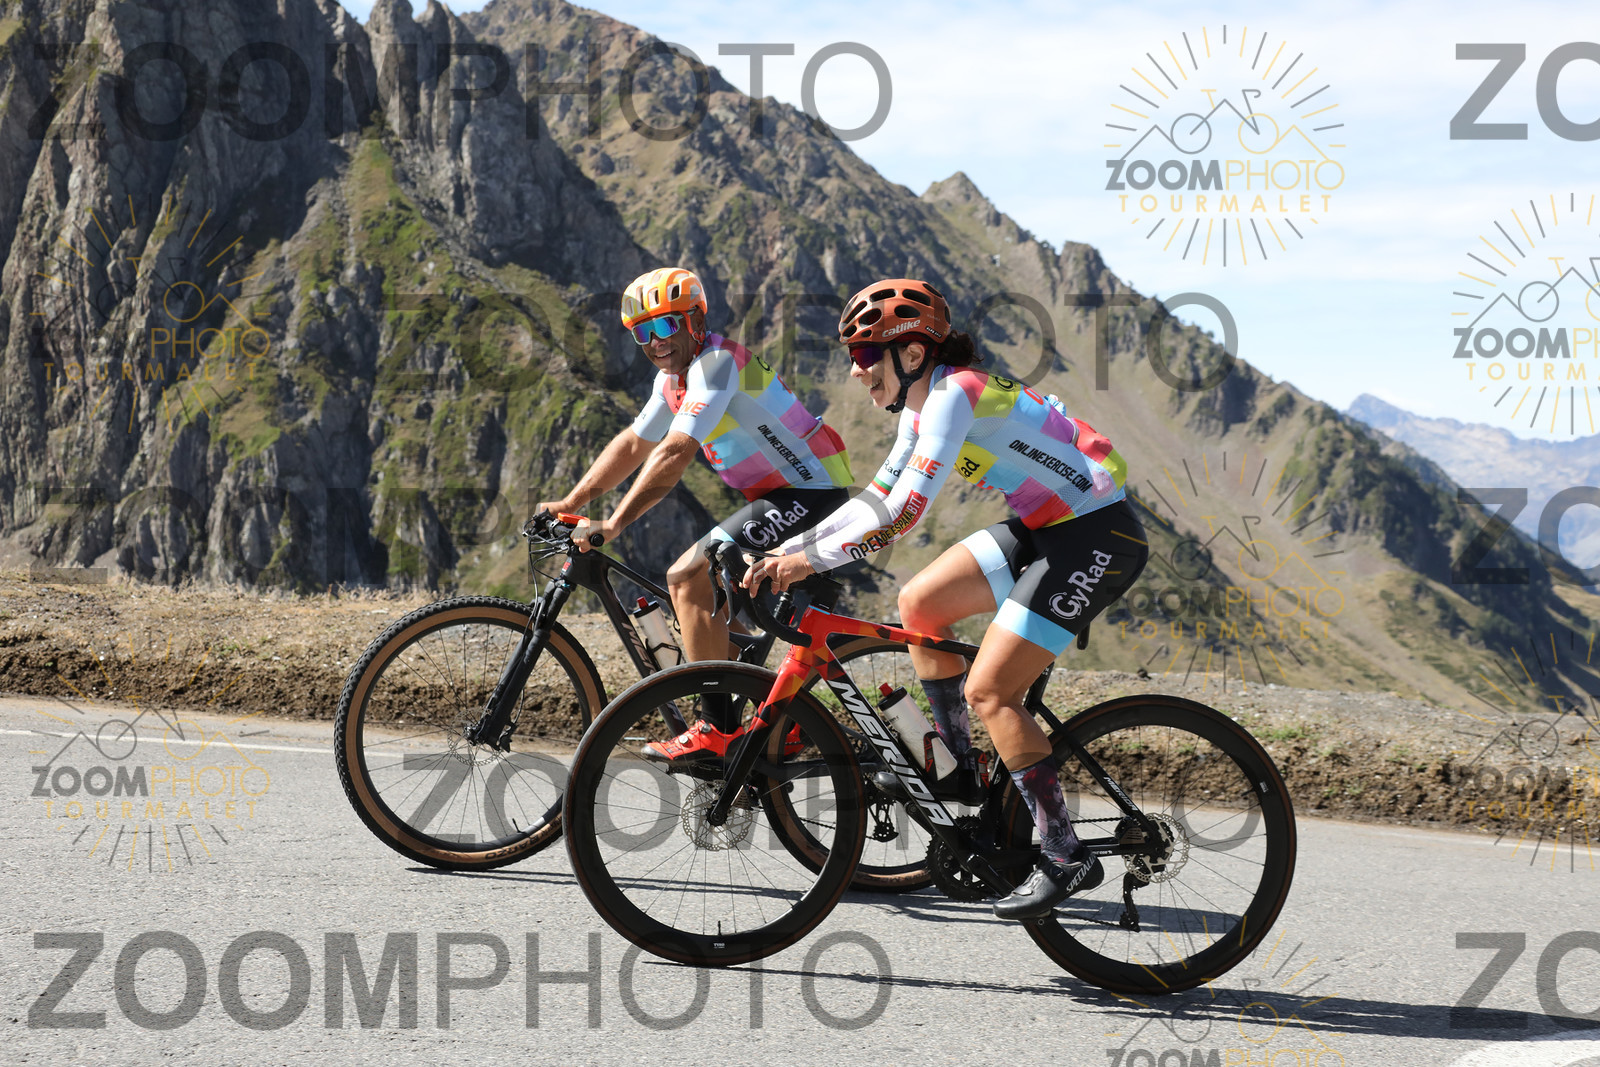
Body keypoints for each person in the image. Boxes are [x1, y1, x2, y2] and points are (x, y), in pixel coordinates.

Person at [741, 278, 1148, 920]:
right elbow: (875, 499)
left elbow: (905, 512)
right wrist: (786, 550)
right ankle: (958, 769)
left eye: (864, 354)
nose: (856, 371)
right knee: (921, 603)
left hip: (1096, 535)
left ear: (910, 354)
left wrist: (805, 561)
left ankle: (1065, 853)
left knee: (991, 692)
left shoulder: (954, 396)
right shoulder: (921, 405)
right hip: (1045, 526)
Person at [536, 266, 854, 761]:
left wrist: (614, 523)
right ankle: (774, 716)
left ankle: (717, 731)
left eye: (666, 325)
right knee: (710, 622)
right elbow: (634, 443)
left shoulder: (717, 365)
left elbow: (675, 451)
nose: (655, 341)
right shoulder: (673, 380)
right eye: (642, 332)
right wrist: (571, 503)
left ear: (696, 322)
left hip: (813, 491)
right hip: (779, 494)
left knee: (686, 576)